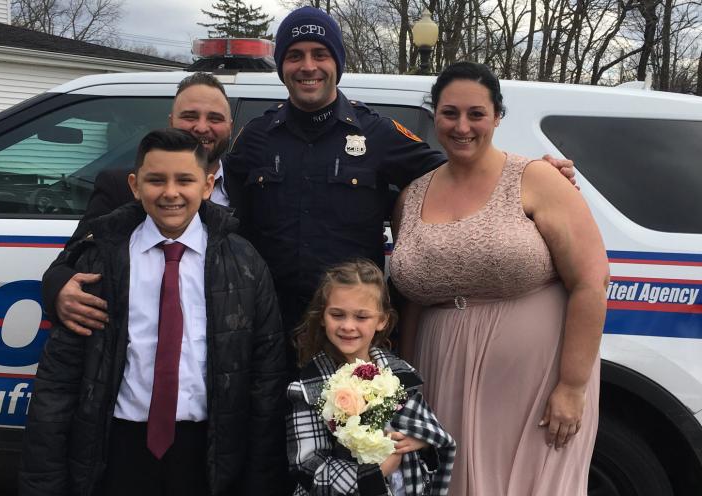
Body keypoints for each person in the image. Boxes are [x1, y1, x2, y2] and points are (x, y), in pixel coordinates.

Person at [224, 6, 576, 361]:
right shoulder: (255, 138)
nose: (308, 66)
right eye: (295, 55)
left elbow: (465, 171)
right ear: (282, 65)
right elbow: (215, 199)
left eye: (321, 54)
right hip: (266, 328)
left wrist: (534, 174)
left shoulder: (378, 133)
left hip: (350, 334)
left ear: (337, 63)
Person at [19, 129, 286, 496]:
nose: (171, 193)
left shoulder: (244, 263)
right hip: (118, 446)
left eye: (185, 180)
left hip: (207, 452)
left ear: (208, 186)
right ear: (134, 184)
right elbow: (58, 383)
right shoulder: (100, 261)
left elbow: (266, 380)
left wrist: (260, 480)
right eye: (156, 180)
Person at [389, 62, 609, 495]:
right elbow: (414, 299)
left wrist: (571, 386)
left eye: (477, 114)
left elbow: (592, 280)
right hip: (442, 372)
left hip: (535, 379)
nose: (462, 126)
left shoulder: (537, 178)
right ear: (434, 115)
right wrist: (410, 389)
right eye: (450, 113)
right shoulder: (411, 196)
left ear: (497, 116)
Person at [41, 72, 232, 336]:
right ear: (170, 122)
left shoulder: (251, 186)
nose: (201, 127)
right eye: (189, 116)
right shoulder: (119, 186)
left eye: (215, 118)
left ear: (230, 125)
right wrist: (59, 290)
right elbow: (68, 261)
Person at [287, 259, 456, 496]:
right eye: (337, 314)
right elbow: (308, 466)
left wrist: (422, 441)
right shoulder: (308, 388)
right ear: (323, 317)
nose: (348, 326)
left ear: (382, 320)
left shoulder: (400, 375)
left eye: (361, 317)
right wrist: (372, 475)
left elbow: (432, 433)